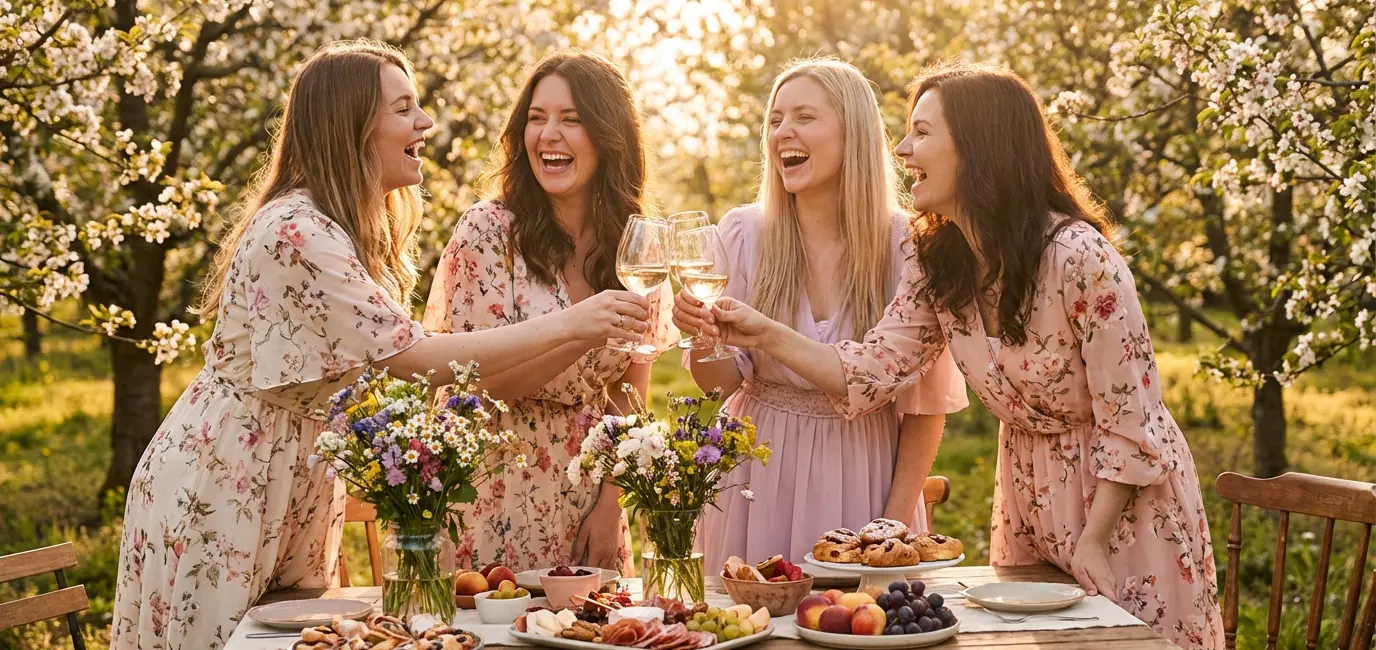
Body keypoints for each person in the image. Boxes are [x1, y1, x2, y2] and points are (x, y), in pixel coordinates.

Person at [110, 40, 650, 648]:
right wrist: (576, 326)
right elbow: (413, 358)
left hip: (297, 469)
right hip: (231, 471)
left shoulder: (346, 225)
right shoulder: (296, 232)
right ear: (351, 125)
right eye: (403, 108)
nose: (426, 122)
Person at [689, 61, 1224, 649]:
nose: (901, 149)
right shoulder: (941, 261)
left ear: (978, 147)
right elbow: (870, 370)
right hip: (1027, 495)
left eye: (922, 132)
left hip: (1121, 504)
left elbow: (1132, 420)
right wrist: (763, 333)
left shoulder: (1080, 257)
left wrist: (1094, 540)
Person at [671, 58, 966, 570]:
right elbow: (720, 384)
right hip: (757, 473)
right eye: (775, 119)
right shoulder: (742, 234)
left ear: (853, 133)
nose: (783, 132)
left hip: (865, 471)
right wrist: (702, 337)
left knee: (860, 615)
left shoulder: (908, 245)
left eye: (804, 116)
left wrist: (892, 524)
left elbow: (924, 408)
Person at [423, 50, 676, 573]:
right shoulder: (488, 232)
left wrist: (611, 505)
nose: (548, 135)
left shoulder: (634, 244)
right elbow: (478, 386)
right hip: (494, 484)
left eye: (571, 119)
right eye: (536, 118)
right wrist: (579, 332)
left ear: (608, 137)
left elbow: (630, 391)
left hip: (590, 491)